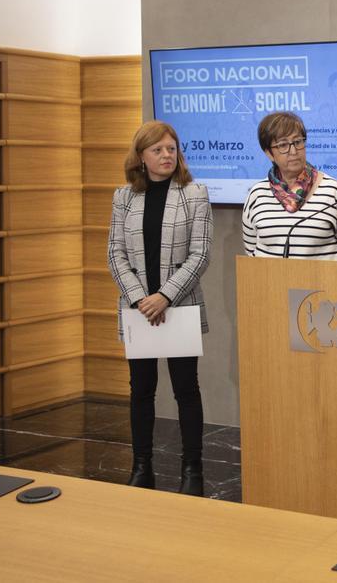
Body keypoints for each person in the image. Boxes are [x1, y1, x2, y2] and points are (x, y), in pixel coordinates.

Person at [108, 120, 213, 496]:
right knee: (141, 391)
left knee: (187, 390)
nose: (167, 155)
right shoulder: (124, 197)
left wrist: (164, 296)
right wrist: (141, 299)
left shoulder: (195, 193)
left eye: (172, 148)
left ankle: (192, 470)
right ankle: (142, 467)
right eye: (158, 150)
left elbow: (200, 255)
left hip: (179, 307)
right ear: (141, 156)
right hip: (139, 310)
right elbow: (115, 254)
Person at [241, 111, 337, 260]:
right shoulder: (256, 195)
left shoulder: (332, 190)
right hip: (271, 282)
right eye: (283, 145)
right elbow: (252, 253)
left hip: (324, 283)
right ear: (269, 153)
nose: (294, 151)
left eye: (297, 142)